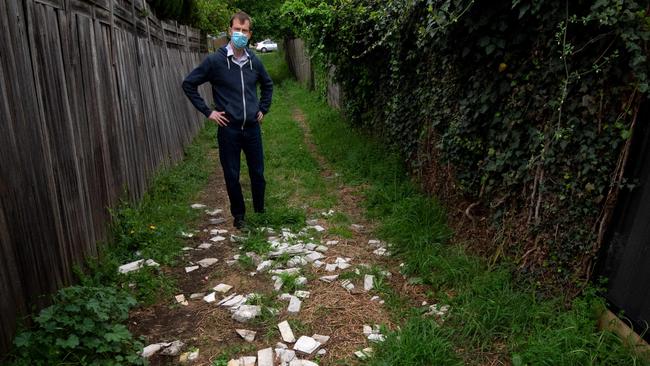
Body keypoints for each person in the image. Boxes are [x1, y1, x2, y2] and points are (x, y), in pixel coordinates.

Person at [182, 11, 273, 229]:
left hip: (252, 129)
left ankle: (260, 212)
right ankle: (239, 216)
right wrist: (208, 112)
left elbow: (268, 85)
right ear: (229, 31)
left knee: (258, 173)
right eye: (237, 30)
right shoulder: (215, 61)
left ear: (250, 34)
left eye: (244, 31)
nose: (240, 34)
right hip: (228, 129)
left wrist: (263, 109)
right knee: (232, 174)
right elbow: (189, 84)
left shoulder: (255, 62)